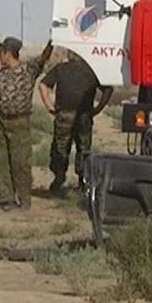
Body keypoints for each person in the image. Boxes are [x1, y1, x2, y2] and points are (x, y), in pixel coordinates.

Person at [0, 36, 53, 211]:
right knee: (0, 160)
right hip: (0, 120)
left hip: (19, 122)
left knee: (20, 162)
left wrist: (52, 41)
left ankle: (24, 200)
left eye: (1, 52)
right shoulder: (2, 73)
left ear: (8, 53)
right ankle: (6, 200)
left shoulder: (28, 70)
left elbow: (43, 58)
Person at [38, 49, 113, 196]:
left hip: (65, 114)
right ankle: (82, 180)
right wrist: (98, 108)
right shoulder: (92, 70)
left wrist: (49, 105)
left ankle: (60, 177)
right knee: (83, 148)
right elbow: (108, 89)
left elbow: (43, 85)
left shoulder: (61, 69)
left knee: (60, 147)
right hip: (83, 115)